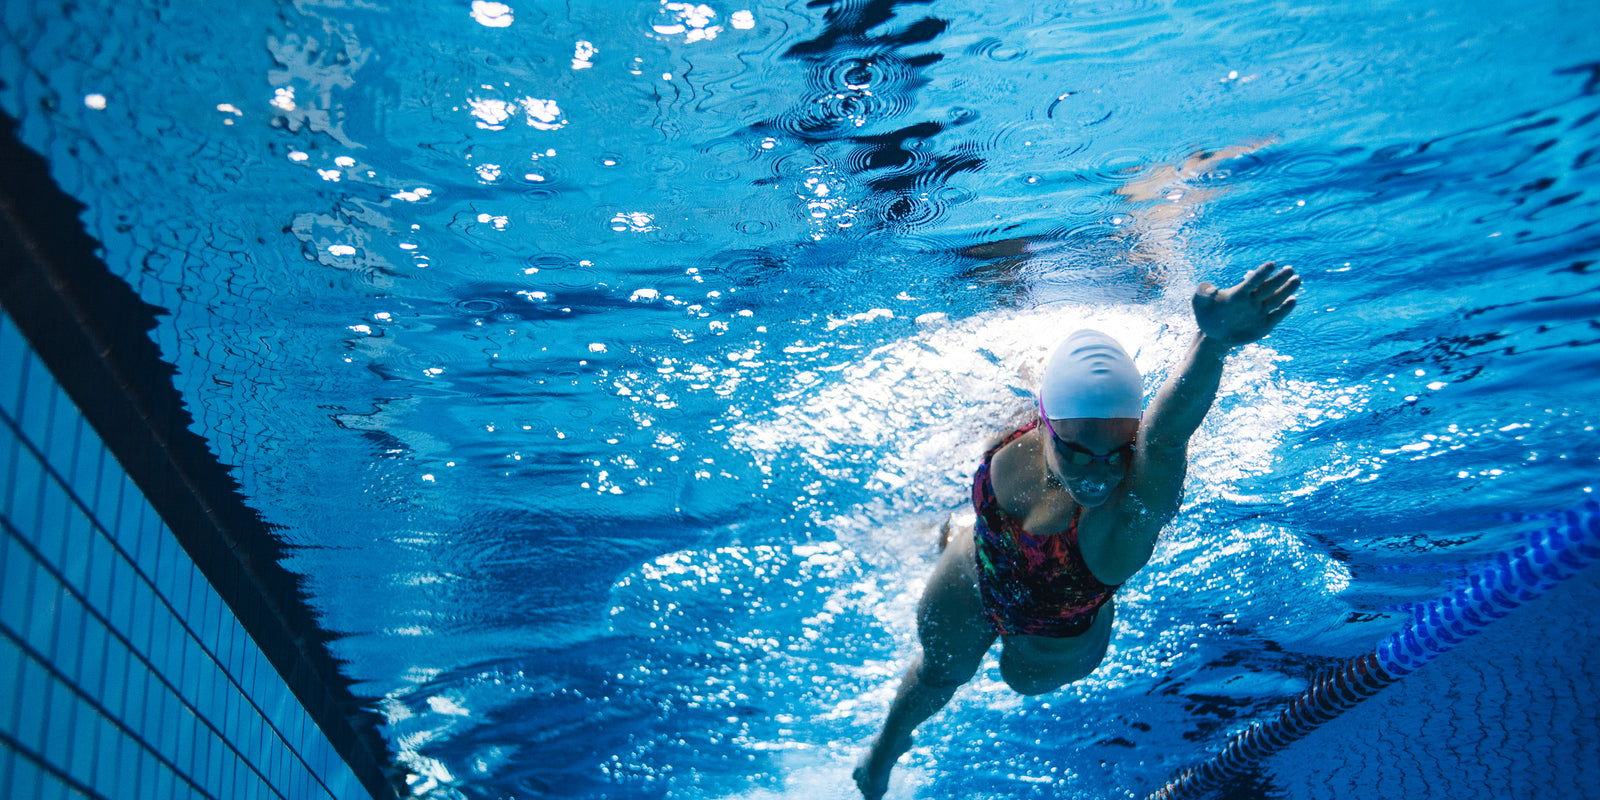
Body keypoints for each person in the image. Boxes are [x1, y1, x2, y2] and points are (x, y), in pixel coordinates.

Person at [853, 262, 1301, 799]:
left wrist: (1213, 343)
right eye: (1079, 453)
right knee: (939, 672)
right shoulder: (1018, 430)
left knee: (1017, 678)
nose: (1100, 473)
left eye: (1118, 453)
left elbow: (1167, 436)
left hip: (1057, 631)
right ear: (1044, 421)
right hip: (981, 568)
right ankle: (878, 761)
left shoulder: (1130, 507)